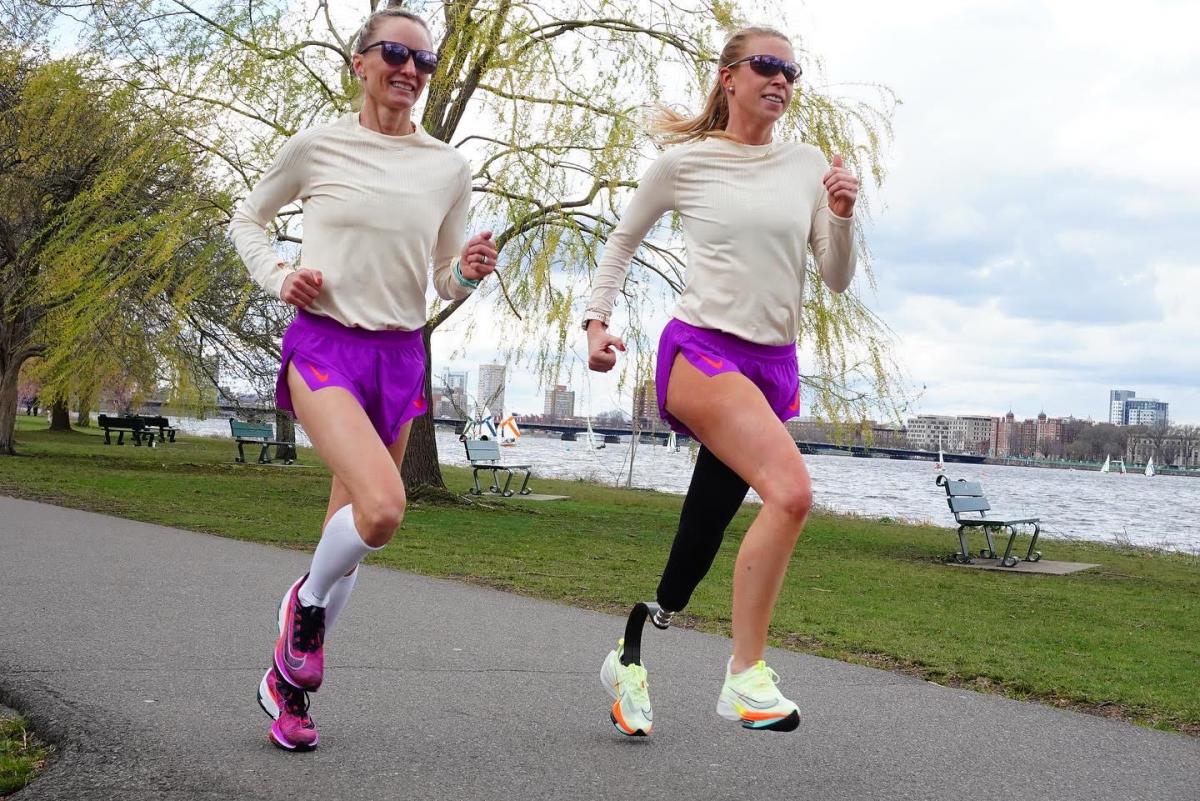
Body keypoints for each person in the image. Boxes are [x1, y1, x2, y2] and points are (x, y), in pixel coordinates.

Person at [228, 8, 498, 752]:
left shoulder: (447, 166)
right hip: (326, 348)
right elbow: (247, 218)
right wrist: (280, 275)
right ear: (360, 61)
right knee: (381, 510)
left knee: (344, 535)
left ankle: (287, 687)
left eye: (425, 62)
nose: (409, 70)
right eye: (395, 54)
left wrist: (467, 277)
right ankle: (303, 606)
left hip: (400, 355)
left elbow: (442, 279)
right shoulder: (317, 146)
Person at [584, 25, 860, 736]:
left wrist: (840, 212)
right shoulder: (687, 163)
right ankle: (745, 674)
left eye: (791, 72)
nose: (781, 80)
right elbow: (622, 241)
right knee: (792, 492)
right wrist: (596, 322)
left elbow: (834, 277)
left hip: (771, 367)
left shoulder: (805, 165)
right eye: (767, 66)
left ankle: (637, 639)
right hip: (701, 353)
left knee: (700, 535)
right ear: (728, 77)